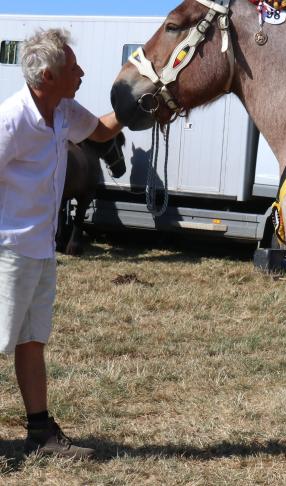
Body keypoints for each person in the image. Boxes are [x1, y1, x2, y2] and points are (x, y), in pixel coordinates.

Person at [0, 28, 123, 458]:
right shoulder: (10, 120)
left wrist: (134, 107)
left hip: (41, 250)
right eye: (73, 67)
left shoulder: (65, 110)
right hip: (7, 252)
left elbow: (102, 132)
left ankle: (40, 433)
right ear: (48, 75)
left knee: (32, 341)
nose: (82, 71)